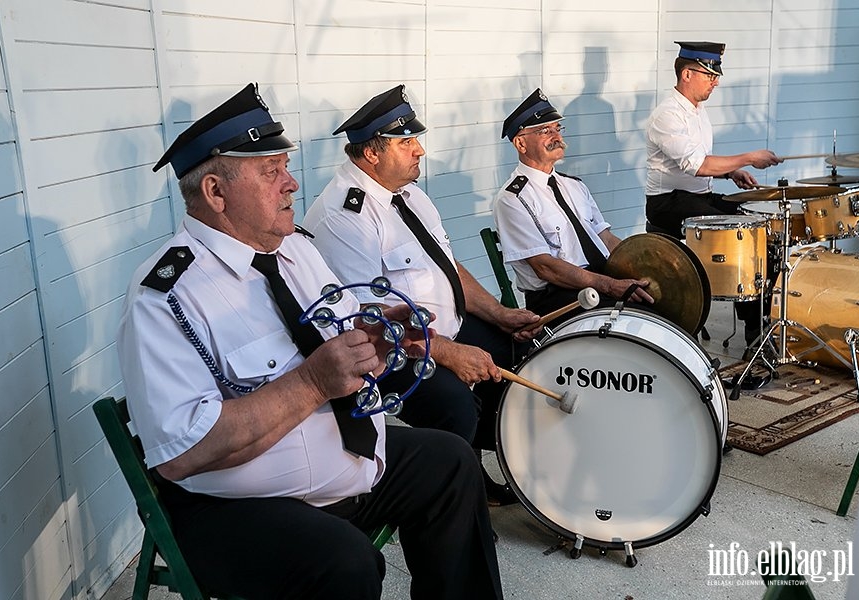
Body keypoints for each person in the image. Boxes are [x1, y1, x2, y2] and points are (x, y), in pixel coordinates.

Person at [116, 83, 503, 600]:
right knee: (345, 563)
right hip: (238, 508)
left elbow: (342, 341)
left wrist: (376, 342)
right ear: (215, 192)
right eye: (270, 171)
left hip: (347, 465)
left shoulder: (296, 251)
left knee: (450, 462)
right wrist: (313, 381)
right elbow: (185, 451)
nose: (291, 184)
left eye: (285, 167)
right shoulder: (167, 295)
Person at [302, 84, 540, 505]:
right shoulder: (344, 215)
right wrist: (447, 353)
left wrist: (500, 313)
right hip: (389, 353)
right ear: (371, 153)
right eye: (406, 141)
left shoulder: (409, 194)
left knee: (514, 352)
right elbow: (366, 318)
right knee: (454, 405)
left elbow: (446, 267)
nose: (419, 151)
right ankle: (455, 495)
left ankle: (483, 466)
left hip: (445, 330)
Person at [645, 41, 783, 344]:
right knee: (742, 233)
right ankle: (754, 332)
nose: (716, 81)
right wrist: (748, 158)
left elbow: (702, 161)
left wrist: (730, 172)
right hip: (667, 203)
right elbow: (695, 165)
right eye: (710, 75)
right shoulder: (667, 115)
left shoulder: (697, 110)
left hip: (696, 196)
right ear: (687, 74)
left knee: (759, 228)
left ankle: (758, 322)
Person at [492, 88, 654, 325]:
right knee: (640, 314)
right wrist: (610, 285)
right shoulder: (513, 199)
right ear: (521, 144)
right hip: (559, 296)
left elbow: (605, 238)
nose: (556, 137)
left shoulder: (574, 185)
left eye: (558, 129)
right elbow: (545, 268)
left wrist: (644, 267)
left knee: (659, 296)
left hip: (599, 280)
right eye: (545, 131)